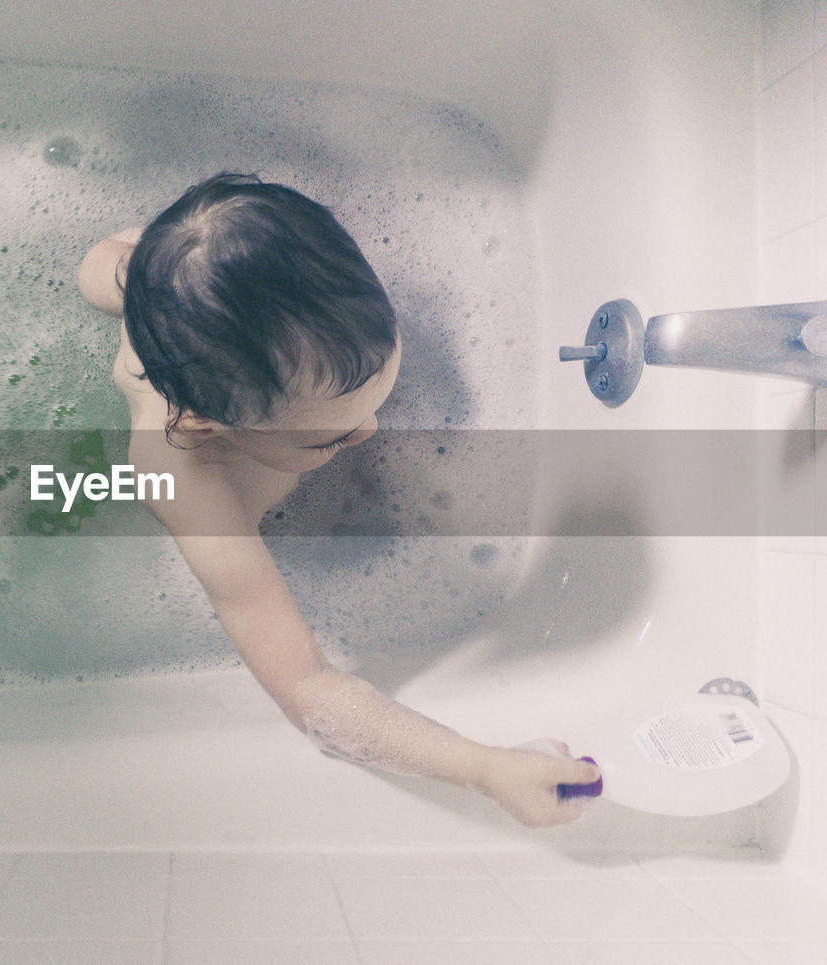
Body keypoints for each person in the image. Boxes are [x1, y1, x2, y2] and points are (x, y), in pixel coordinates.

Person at [77, 172, 599, 827]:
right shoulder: (189, 482)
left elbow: (116, 263)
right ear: (210, 425)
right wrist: (484, 768)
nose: (370, 432)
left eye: (381, 381)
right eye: (332, 435)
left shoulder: (254, 286)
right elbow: (307, 688)